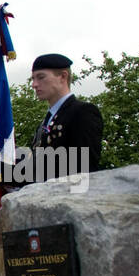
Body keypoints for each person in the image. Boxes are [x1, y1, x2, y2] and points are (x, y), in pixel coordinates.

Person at [26, 52, 104, 184]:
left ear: (63, 76)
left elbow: (84, 168)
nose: (34, 84)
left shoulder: (82, 112)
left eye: (41, 77)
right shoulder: (45, 122)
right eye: (33, 79)